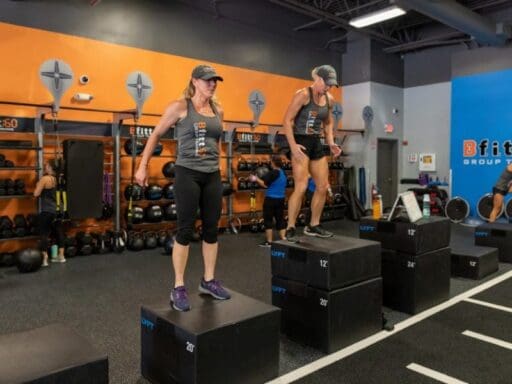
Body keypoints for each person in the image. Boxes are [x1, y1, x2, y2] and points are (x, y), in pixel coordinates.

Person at [135, 64, 230, 312]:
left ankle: (208, 280)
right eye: (208, 80)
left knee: (211, 229)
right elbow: (155, 135)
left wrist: (217, 164)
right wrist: (142, 166)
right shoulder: (180, 106)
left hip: (212, 176)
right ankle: (178, 286)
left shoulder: (217, 110)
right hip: (187, 173)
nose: (212, 84)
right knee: (185, 229)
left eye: (215, 81)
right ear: (195, 81)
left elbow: (217, 142)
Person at [283, 64, 341, 242]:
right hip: (300, 141)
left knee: (322, 186)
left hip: (316, 142)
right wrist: (292, 146)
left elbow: (329, 122)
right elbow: (287, 120)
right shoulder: (303, 95)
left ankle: (313, 225)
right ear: (319, 79)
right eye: (327, 84)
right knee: (300, 186)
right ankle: (291, 226)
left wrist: (330, 142)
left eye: (331, 85)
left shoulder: (329, 99)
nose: (328, 88)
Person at [33, 159, 66, 266]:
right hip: (56, 211)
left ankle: (44, 259)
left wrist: (38, 184)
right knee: (59, 233)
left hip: (46, 211)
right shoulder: (56, 179)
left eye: (46, 165)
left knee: (44, 234)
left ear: (51, 167)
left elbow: (36, 194)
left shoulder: (45, 179)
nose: (45, 167)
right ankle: (61, 256)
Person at [249, 155, 287, 247]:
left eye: (270, 161)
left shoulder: (273, 173)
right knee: (280, 218)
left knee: (268, 220)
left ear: (273, 162)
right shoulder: (283, 172)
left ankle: (269, 242)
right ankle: (283, 239)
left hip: (271, 199)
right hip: (281, 199)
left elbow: (265, 185)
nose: (270, 163)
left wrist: (255, 179)